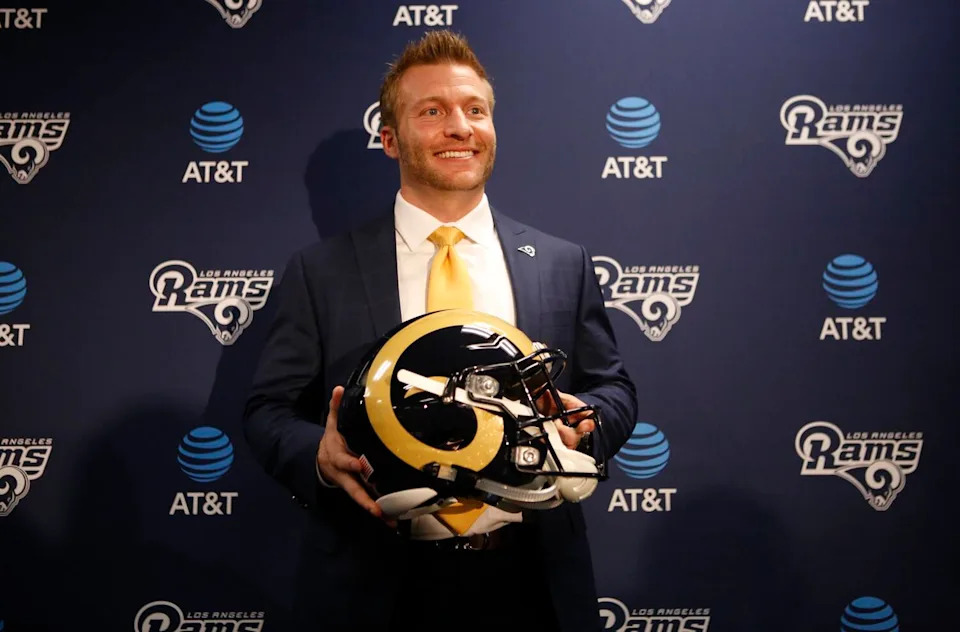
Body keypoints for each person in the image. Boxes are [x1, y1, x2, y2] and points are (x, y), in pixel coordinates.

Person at [243, 29, 637, 631]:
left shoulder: (563, 262)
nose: (460, 127)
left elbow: (614, 390)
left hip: (532, 581)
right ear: (390, 139)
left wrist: (584, 426)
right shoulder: (320, 271)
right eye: (433, 111)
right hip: (375, 582)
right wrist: (321, 458)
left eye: (474, 110)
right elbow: (268, 409)